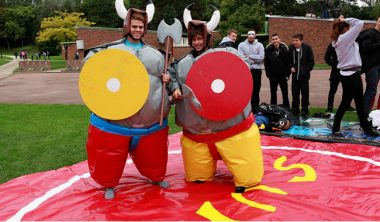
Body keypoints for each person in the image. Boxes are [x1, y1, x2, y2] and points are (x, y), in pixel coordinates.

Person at [169, 4, 263, 193]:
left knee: (248, 177)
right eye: (193, 39)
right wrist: (174, 88)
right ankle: (201, 174)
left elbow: (241, 69)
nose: (196, 42)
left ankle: (245, 178)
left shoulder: (226, 54)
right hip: (198, 134)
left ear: (207, 38)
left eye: (200, 38)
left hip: (232, 130)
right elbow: (173, 80)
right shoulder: (182, 64)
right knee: (198, 177)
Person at [83, 0, 172, 199]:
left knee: (154, 158)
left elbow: (168, 78)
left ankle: (156, 176)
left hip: (150, 123)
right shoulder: (109, 51)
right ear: (127, 27)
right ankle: (109, 184)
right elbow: (91, 69)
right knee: (109, 158)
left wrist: (169, 79)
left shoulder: (157, 55)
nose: (138, 30)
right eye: (134, 27)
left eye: (141, 27)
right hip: (116, 121)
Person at [330, 16, 379, 137]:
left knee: (359, 102)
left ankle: (366, 127)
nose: (351, 28)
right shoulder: (344, 39)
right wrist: (345, 19)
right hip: (349, 75)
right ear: (345, 29)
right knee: (345, 103)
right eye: (348, 27)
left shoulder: (343, 39)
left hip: (354, 73)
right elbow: (359, 23)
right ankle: (335, 129)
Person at [238, 30, 265, 113]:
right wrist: (254, 59)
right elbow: (240, 57)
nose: (251, 35)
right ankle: (245, 110)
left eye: (252, 34)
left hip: (256, 71)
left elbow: (261, 57)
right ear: (247, 35)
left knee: (256, 90)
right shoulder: (241, 45)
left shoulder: (260, 45)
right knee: (245, 91)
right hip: (245, 71)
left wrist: (249, 57)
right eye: (249, 34)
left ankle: (255, 109)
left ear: (255, 35)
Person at [288, 33, 314, 117]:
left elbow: (311, 61)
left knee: (305, 93)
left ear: (301, 41)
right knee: (295, 93)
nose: (294, 42)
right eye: (293, 40)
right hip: (295, 77)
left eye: (296, 40)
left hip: (304, 76)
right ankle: (295, 109)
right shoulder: (290, 48)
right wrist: (291, 67)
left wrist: (306, 70)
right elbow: (287, 61)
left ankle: (304, 109)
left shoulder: (307, 48)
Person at [324, 43, 355, 112]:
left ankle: (347, 105)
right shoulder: (332, 44)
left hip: (347, 71)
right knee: (333, 90)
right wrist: (336, 64)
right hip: (335, 72)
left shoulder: (348, 43)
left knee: (347, 90)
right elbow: (327, 58)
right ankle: (330, 106)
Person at [359, 16, 380, 115]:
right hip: (372, 67)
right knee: (371, 89)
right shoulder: (370, 33)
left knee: (372, 89)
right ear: (377, 22)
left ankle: (368, 112)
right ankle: (363, 113)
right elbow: (365, 48)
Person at [264, 33, 291, 110]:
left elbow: (288, 63)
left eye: (276, 39)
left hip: (283, 76)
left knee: (285, 93)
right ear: (271, 41)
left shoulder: (284, 49)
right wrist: (268, 74)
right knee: (273, 93)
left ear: (279, 39)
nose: (274, 41)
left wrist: (287, 75)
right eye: (273, 39)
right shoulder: (268, 50)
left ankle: (287, 108)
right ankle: (273, 108)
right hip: (273, 76)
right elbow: (266, 63)